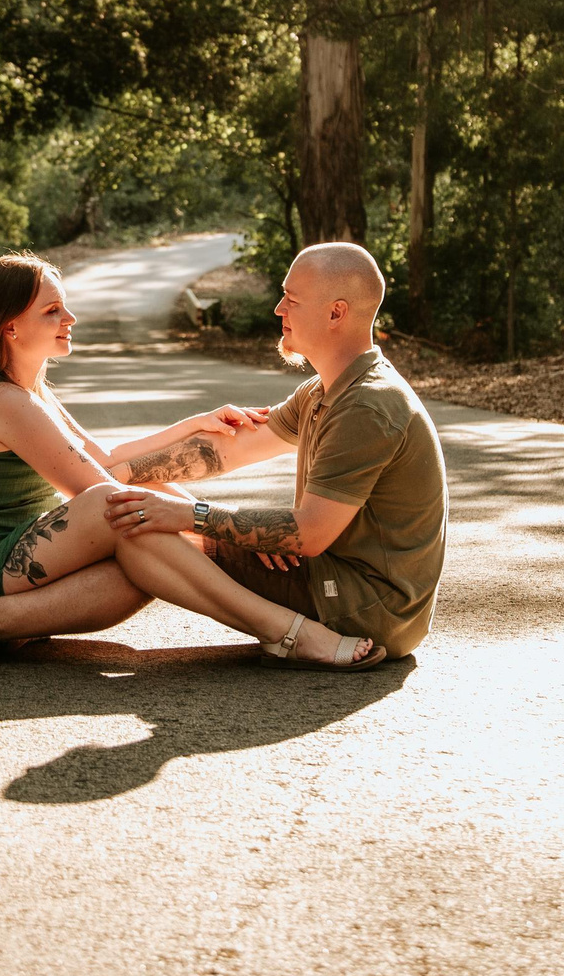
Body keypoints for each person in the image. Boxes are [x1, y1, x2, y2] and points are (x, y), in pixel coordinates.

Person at [0, 254, 383, 668]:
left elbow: (108, 460)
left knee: (146, 567)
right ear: (9, 327)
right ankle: (286, 631)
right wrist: (226, 528)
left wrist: (193, 425)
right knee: (122, 511)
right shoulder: (5, 402)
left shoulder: (30, 394)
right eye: (52, 311)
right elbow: (99, 489)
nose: (70, 317)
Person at [102, 241, 447, 665]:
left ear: (335, 313)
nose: (278, 309)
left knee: (138, 535)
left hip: (368, 608)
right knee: (139, 511)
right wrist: (115, 473)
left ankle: (288, 634)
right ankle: (14, 619)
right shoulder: (323, 390)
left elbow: (310, 534)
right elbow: (223, 450)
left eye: (292, 300)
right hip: (339, 581)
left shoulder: (367, 405)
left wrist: (190, 516)